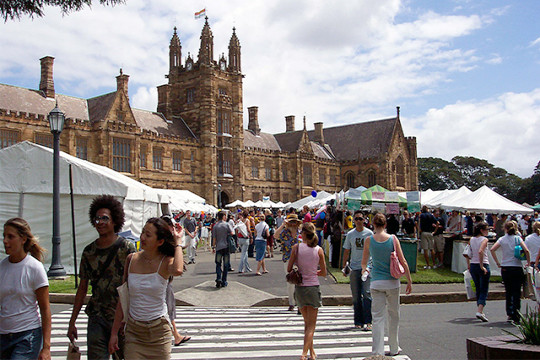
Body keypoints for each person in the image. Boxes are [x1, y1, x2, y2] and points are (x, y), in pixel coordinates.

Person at [68, 195, 136, 360]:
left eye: (105, 218)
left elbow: (133, 285)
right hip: (97, 317)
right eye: (97, 219)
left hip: (121, 318)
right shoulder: (89, 252)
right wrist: (72, 321)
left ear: (115, 221)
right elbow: (82, 288)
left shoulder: (126, 248)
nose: (100, 222)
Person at [108, 217, 183, 359]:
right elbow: (123, 298)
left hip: (159, 332)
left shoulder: (166, 261)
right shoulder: (131, 259)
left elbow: (178, 270)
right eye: (143, 233)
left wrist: (178, 242)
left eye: (148, 235)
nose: (142, 237)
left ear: (160, 242)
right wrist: (114, 333)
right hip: (134, 332)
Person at [361, 213, 412, 356]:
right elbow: (403, 261)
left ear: (373, 224)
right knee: (394, 315)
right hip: (392, 282)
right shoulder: (393, 239)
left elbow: (364, 262)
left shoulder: (368, 240)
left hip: (376, 281)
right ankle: (394, 347)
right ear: (385, 225)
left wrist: (365, 271)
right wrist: (409, 280)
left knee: (377, 317)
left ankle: (378, 350)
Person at [1, 218, 51, 360]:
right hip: (3, 336)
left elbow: (45, 309)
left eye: (10, 237)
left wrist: (46, 347)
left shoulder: (34, 268)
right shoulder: (2, 267)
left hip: (27, 335)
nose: (5, 241)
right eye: (4, 236)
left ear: (23, 239)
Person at [287, 223, 327, 360]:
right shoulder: (319, 250)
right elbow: (324, 272)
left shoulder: (296, 248)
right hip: (313, 287)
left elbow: (289, 268)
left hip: (300, 288)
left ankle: (312, 353)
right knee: (311, 325)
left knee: (307, 323)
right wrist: (313, 272)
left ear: (303, 234)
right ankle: (304, 354)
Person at [490, 220, 530, 323]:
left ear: (505, 229)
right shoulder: (517, 238)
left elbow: (492, 249)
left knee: (509, 291)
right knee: (517, 292)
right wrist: (528, 262)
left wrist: (497, 262)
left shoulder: (502, 239)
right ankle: (516, 314)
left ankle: (509, 313)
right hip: (516, 266)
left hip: (505, 267)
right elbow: (526, 250)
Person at [160, 215, 191, 347]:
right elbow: (178, 269)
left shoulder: (167, 240)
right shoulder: (162, 241)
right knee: (167, 308)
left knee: (168, 307)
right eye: (171, 225)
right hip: (161, 280)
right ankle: (175, 335)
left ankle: (176, 335)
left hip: (165, 280)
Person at [342, 211, 374, 330]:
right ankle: (358, 320)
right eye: (356, 219)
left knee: (366, 294)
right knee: (356, 296)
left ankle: (368, 320)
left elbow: (373, 250)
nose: (359, 221)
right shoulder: (350, 234)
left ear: (364, 220)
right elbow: (346, 250)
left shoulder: (369, 233)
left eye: (361, 219)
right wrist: (345, 266)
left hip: (366, 268)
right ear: (354, 221)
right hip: (354, 267)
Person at [275, 213, 302, 311]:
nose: (293, 224)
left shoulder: (301, 232)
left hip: (300, 259)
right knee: (290, 282)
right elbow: (275, 236)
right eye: (291, 222)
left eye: (295, 222)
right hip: (288, 259)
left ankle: (299, 304)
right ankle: (291, 303)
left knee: (300, 282)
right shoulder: (284, 232)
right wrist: (282, 225)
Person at [466, 222, 491, 322]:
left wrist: (468, 263)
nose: (487, 231)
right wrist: (482, 266)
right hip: (482, 264)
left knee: (478, 288)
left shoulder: (471, 239)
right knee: (484, 288)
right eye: (486, 229)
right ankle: (480, 310)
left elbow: (467, 252)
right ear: (482, 230)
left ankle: (479, 308)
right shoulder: (484, 239)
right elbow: (481, 251)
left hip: (473, 264)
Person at [211, 211, 234, 288]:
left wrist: (213, 247)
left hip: (218, 247)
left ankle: (218, 278)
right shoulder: (227, 224)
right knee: (226, 264)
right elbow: (232, 233)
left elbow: (214, 238)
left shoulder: (215, 226)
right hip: (226, 247)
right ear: (224, 216)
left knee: (218, 264)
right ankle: (224, 281)